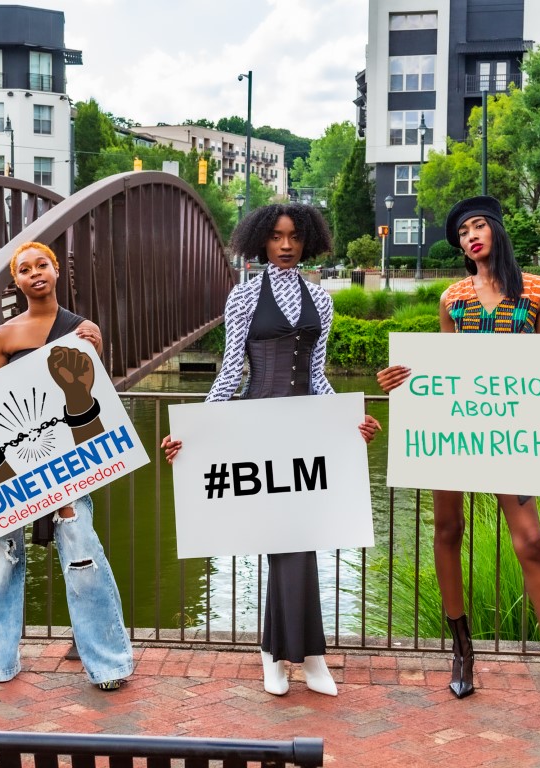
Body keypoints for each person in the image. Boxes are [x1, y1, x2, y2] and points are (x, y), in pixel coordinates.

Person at [376, 195, 540, 731]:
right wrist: (399, 380)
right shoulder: (452, 296)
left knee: (530, 541)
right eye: (462, 233)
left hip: (512, 430)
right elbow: (444, 368)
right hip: (458, 428)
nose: (470, 237)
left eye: (478, 227)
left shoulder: (538, 290)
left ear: (497, 231)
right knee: (446, 528)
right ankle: (462, 650)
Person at [161, 203, 380, 697]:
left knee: (300, 541)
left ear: (308, 242)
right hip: (256, 428)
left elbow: (318, 375)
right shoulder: (241, 297)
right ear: (261, 241)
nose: (285, 245)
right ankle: (302, 657)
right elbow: (231, 372)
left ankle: (281, 655)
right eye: (277, 237)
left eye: (295, 237)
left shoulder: (321, 300)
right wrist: (194, 433)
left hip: (307, 429)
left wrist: (350, 422)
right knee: (287, 543)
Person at [0, 241, 135, 691]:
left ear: (56, 270)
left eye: (42, 265)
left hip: (69, 462)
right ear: (16, 281)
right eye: (25, 269)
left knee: (83, 556)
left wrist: (97, 352)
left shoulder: (83, 329)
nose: (35, 273)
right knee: (2, 559)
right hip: (13, 465)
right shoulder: (2, 337)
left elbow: (101, 400)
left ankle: (109, 664)